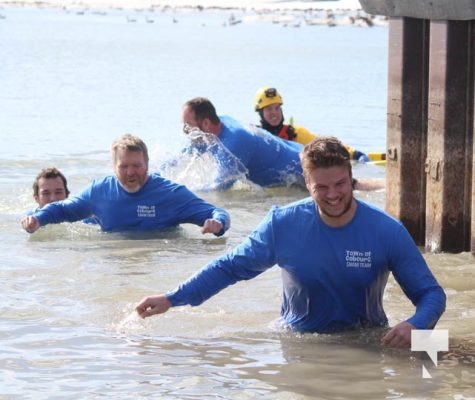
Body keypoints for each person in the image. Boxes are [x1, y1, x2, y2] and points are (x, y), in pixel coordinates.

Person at [135, 136, 446, 348]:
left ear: (351, 177)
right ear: (307, 183)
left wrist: (416, 324)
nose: (333, 194)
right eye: (321, 187)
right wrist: (172, 298)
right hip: (299, 341)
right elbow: (229, 268)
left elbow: (430, 293)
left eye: (340, 184)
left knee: (446, 355)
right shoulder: (282, 224)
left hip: (366, 339)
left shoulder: (385, 230)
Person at [21, 133, 230, 236]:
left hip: (157, 261)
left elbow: (216, 212)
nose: (131, 172)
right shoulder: (100, 191)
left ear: (147, 164)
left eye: (137, 166)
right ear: (113, 167)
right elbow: (62, 208)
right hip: (115, 261)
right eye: (124, 166)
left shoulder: (171, 194)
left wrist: (217, 223)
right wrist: (38, 219)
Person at [180, 97, 383, 191]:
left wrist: (183, 194)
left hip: (302, 169)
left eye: (188, 126)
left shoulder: (235, 143)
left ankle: (387, 185)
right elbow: (187, 153)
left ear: (206, 123)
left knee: (352, 187)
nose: (185, 132)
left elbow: (218, 188)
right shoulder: (218, 123)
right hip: (293, 152)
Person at [254, 86, 371, 162]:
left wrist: (355, 154)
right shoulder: (256, 134)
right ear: (260, 113)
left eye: (277, 108)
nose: (274, 113)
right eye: (269, 109)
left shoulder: (295, 133)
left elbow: (325, 145)